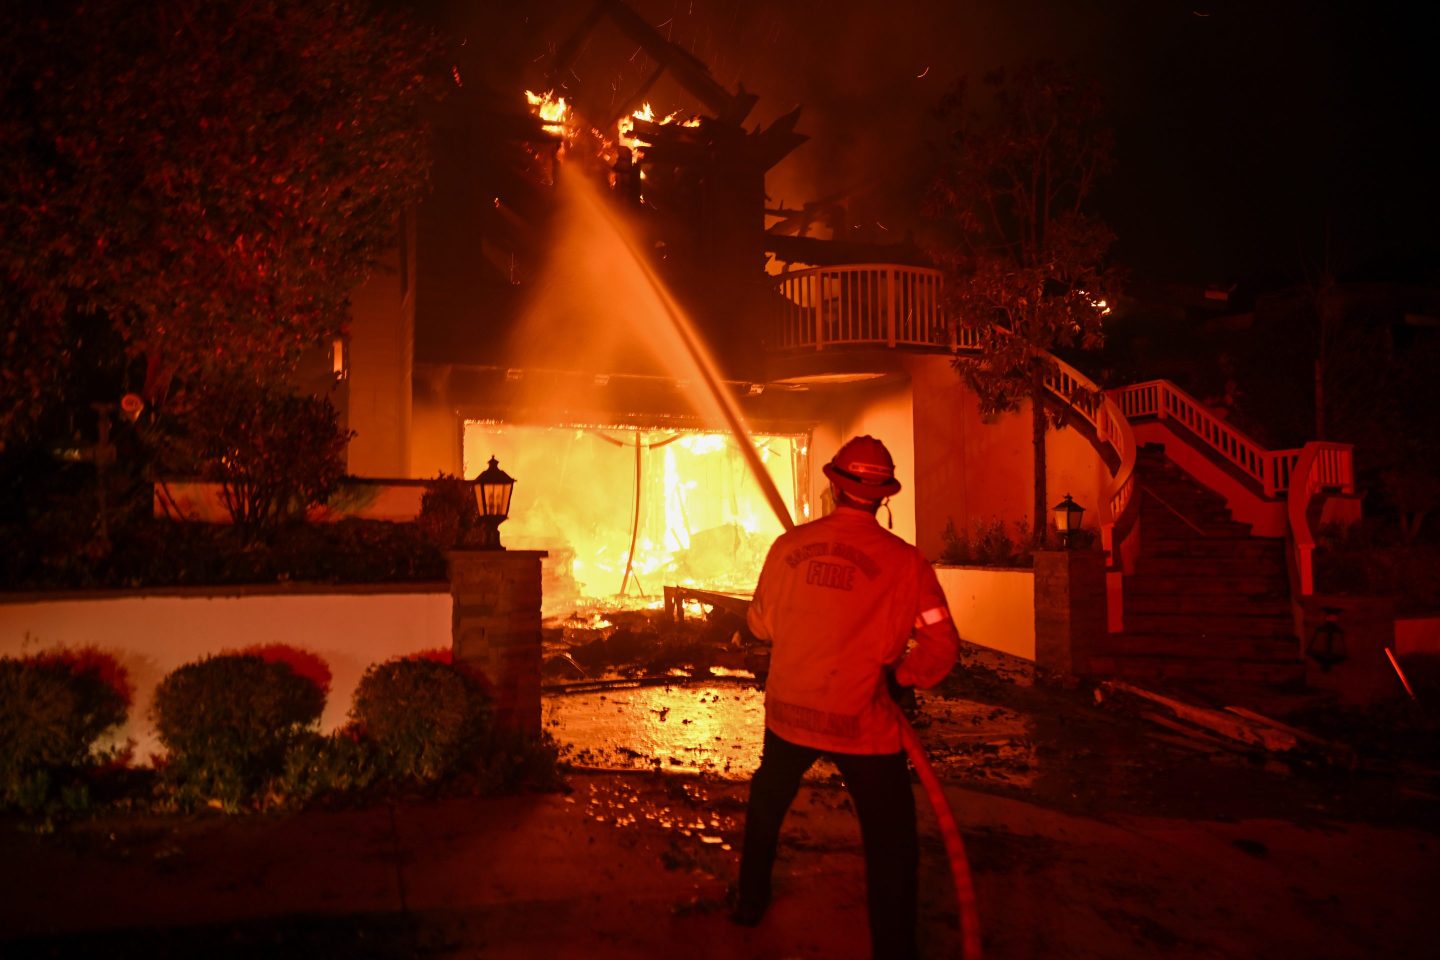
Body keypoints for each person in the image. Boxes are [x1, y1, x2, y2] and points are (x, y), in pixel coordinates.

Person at [732, 435, 960, 960]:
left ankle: (750, 899)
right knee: (892, 843)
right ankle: (894, 947)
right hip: (865, 722)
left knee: (768, 801)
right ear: (883, 496)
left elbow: (760, 626)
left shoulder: (788, 549)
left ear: (834, 484)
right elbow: (941, 645)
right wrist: (900, 680)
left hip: (789, 712)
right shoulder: (907, 565)